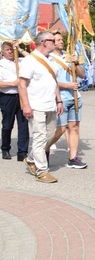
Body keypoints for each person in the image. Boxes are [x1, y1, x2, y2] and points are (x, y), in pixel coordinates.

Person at [18, 31, 63, 183]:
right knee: (39, 137)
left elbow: (54, 82)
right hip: (36, 105)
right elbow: (22, 84)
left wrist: (59, 100)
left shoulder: (51, 60)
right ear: (44, 42)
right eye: (52, 40)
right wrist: (26, 105)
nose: (55, 43)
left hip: (50, 104)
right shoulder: (30, 60)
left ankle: (31, 159)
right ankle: (42, 171)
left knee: (50, 136)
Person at [45, 32, 87, 169]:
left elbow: (82, 75)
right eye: (57, 40)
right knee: (60, 129)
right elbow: (51, 81)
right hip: (60, 98)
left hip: (75, 97)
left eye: (62, 39)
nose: (61, 42)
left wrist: (76, 63)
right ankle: (44, 148)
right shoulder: (49, 59)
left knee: (74, 128)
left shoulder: (69, 57)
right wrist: (67, 85)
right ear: (52, 42)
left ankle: (73, 158)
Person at [0, 41, 29, 161]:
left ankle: (22, 152)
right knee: (7, 125)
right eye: (8, 50)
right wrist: (13, 83)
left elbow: (33, 58)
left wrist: (20, 50)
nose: (11, 51)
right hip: (8, 97)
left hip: (22, 96)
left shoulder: (21, 61)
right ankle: (5, 148)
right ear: (2, 51)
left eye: (12, 49)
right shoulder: (1, 64)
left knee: (23, 125)